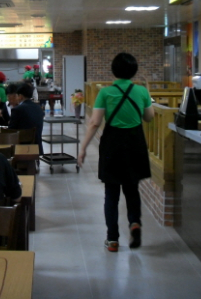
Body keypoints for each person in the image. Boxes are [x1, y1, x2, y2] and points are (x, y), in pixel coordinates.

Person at [78, 52, 154, 253]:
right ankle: (134, 222)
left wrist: (83, 147)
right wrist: (146, 96)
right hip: (135, 143)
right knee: (132, 189)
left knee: (111, 194)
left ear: (114, 70)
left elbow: (95, 122)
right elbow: (149, 117)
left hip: (113, 144)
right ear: (134, 71)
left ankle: (112, 239)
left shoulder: (105, 92)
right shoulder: (142, 91)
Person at [8, 83, 45, 155]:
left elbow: (11, 130)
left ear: (20, 96)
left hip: (21, 146)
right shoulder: (38, 108)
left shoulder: (17, 109)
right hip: (37, 146)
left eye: (17, 96)